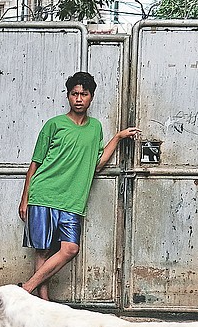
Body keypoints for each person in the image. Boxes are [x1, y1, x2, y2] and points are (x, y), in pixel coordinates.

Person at [18, 72, 140, 300]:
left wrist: (118, 138)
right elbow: (35, 163)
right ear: (68, 96)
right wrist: (25, 198)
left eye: (84, 94)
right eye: (75, 94)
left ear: (91, 97)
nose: (79, 98)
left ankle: (26, 289)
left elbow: (97, 164)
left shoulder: (95, 128)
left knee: (69, 249)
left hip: (73, 200)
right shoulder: (54, 125)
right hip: (44, 194)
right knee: (43, 250)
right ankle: (44, 303)